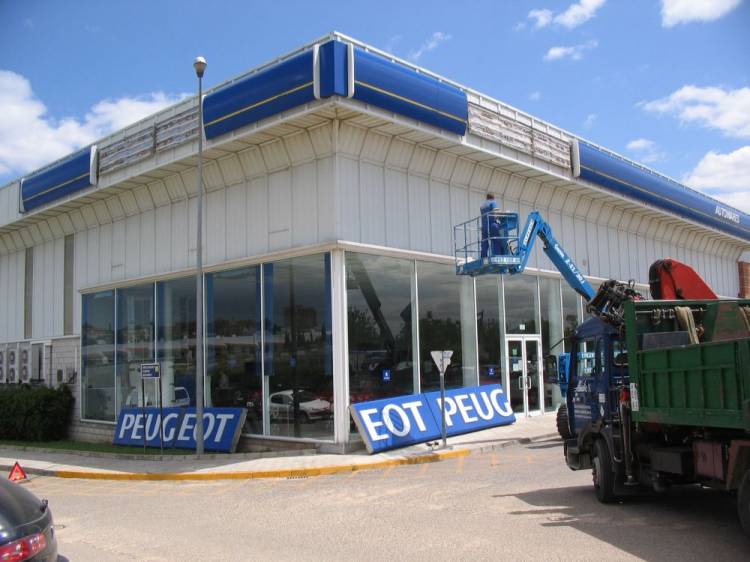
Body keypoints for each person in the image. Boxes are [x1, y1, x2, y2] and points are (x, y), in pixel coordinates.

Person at [480, 193, 499, 259]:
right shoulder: (493, 202)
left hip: (484, 226)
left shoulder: (482, 206)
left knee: (484, 242)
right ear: (493, 197)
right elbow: (496, 213)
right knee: (496, 240)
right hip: (492, 225)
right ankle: (496, 255)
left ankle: (483, 256)